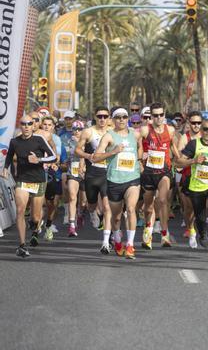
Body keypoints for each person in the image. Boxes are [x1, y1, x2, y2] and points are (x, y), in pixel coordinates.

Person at [2, 116, 57, 257]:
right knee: (20, 210)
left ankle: (35, 225)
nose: (26, 126)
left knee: (35, 217)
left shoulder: (39, 139)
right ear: (20, 126)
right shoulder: (15, 141)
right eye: (23, 124)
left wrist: (38, 159)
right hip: (22, 180)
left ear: (33, 125)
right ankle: (21, 245)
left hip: (38, 181)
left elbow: (53, 157)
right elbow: (9, 157)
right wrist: (5, 168)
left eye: (29, 124)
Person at [93, 108, 142, 260]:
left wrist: (139, 160)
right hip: (114, 180)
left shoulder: (135, 134)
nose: (121, 119)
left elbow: (140, 147)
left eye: (124, 117)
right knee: (116, 218)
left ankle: (130, 245)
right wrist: (112, 152)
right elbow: (95, 158)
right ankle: (118, 240)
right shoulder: (109, 136)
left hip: (132, 179)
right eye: (118, 117)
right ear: (113, 120)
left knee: (132, 209)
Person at [176, 117, 208, 260]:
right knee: (200, 215)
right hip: (197, 185)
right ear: (201, 131)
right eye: (205, 129)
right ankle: (202, 232)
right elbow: (177, 162)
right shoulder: (193, 144)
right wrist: (193, 160)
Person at [138, 102, 180, 249]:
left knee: (162, 200)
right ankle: (148, 229)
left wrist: (184, 161)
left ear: (164, 114)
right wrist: (139, 161)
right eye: (155, 115)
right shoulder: (144, 130)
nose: (158, 118)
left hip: (164, 171)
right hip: (149, 172)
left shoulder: (170, 130)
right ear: (151, 116)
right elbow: (136, 141)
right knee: (148, 206)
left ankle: (164, 233)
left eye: (161, 115)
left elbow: (174, 149)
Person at [75, 106, 111, 247]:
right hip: (92, 174)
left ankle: (106, 241)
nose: (102, 119)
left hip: (108, 173)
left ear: (109, 118)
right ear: (95, 117)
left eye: (105, 116)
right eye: (99, 116)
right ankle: (92, 213)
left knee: (108, 207)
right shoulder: (88, 132)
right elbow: (78, 150)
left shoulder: (113, 133)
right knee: (91, 204)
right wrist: (87, 156)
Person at [176, 111, 203, 248]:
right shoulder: (184, 138)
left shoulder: (207, 136)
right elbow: (179, 160)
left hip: (205, 177)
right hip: (188, 176)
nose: (196, 126)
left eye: (199, 123)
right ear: (189, 124)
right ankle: (191, 230)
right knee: (188, 207)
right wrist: (193, 160)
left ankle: (201, 230)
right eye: (193, 123)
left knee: (204, 207)